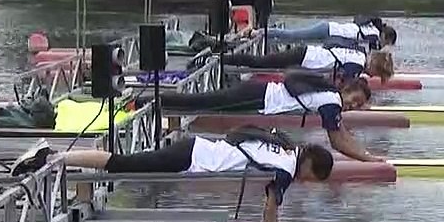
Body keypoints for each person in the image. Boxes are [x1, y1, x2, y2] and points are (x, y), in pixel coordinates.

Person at [9, 127, 336, 222]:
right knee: (123, 165)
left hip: (195, 147)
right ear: (309, 166)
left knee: (126, 164)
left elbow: (241, 134)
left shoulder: (284, 144)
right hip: (190, 157)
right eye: (312, 179)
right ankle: (53, 155)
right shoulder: (285, 169)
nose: (306, 183)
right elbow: (270, 211)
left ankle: (57, 157)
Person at [153, 70, 384, 162]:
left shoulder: (332, 97)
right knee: (200, 103)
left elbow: (342, 133)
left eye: (358, 105)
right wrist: (369, 160)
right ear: (347, 89)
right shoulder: (332, 102)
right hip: (258, 97)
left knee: (202, 102)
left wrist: (366, 153)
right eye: (355, 99)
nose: (353, 105)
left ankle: (155, 102)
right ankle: (149, 103)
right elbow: (337, 142)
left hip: (259, 94)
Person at [221, 43, 395, 84]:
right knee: (259, 63)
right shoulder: (356, 67)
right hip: (303, 56)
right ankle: (222, 59)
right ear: (374, 67)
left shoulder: (359, 54)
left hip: (307, 54)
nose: (372, 77)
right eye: (377, 74)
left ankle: (225, 61)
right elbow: (345, 88)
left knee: (261, 63)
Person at [256, 16, 397, 54]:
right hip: (327, 30)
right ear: (386, 37)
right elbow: (372, 51)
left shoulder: (372, 28)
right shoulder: (374, 34)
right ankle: (262, 32)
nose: (385, 46)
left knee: (296, 38)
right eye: (388, 43)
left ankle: (267, 36)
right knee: (295, 36)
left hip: (329, 31)